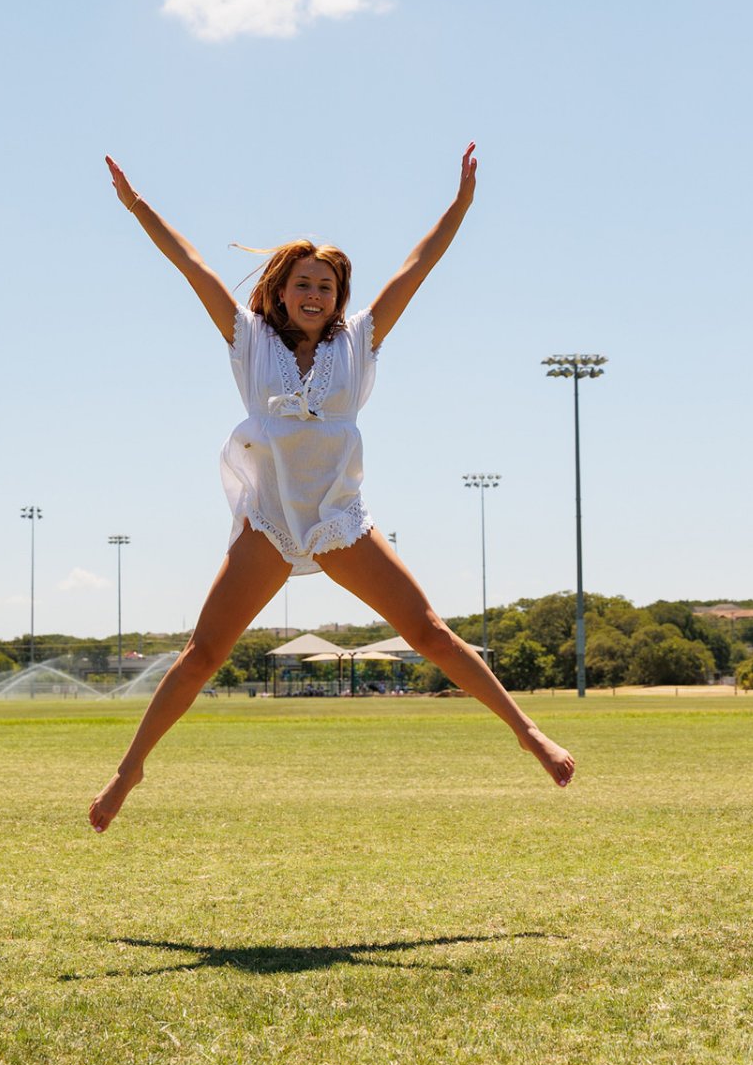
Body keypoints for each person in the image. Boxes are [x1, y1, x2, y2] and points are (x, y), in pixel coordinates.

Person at [89, 145, 575, 834]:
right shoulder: (248, 339)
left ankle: (527, 733)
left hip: (339, 519)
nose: (314, 295)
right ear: (280, 291)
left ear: (337, 297)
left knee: (429, 632)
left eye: (326, 286)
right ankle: (129, 768)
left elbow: (417, 266)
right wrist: (138, 207)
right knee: (203, 654)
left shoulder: (360, 342)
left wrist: (460, 206)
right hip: (272, 519)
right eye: (302, 285)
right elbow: (191, 265)